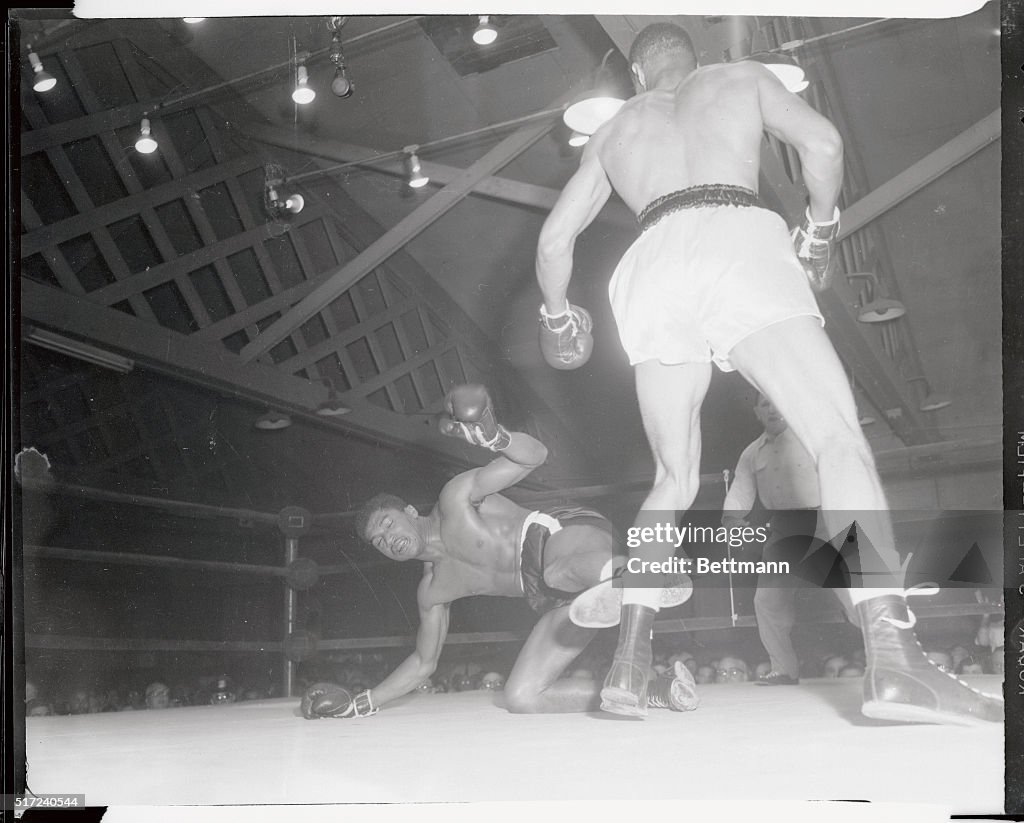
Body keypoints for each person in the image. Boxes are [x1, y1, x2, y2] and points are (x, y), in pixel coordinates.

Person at [534, 21, 1002, 725]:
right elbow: (824, 145)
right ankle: (897, 662)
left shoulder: (616, 130)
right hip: (734, 236)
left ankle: (629, 662)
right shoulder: (738, 78)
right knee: (837, 440)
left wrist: (558, 313)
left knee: (673, 478)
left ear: (635, 77)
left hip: (652, 264)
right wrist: (818, 228)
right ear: (696, 62)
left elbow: (554, 240)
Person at [300, 384, 698, 719]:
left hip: (560, 536)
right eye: (379, 542)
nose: (388, 539)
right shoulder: (433, 592)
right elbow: (423, 663)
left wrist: (497, 438)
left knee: (557, 571)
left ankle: (648, 567)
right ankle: (656, 689)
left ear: (407, 512)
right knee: (521, 696)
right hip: (555, 596)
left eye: (387, 524)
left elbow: (536, 455)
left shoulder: (455, 499)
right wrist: (358, 705)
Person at [722, 394, 826, 686]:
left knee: (856, 592)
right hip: (784, 526)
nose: (772, 408)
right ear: (757, 412)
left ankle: (888, 660)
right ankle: (783, 669)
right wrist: (731, 519)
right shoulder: (752, 453)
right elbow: (741, 488)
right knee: (767, 599)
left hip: (826, 518)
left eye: (778, 401)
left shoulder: (813, 438)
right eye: (765, 404)